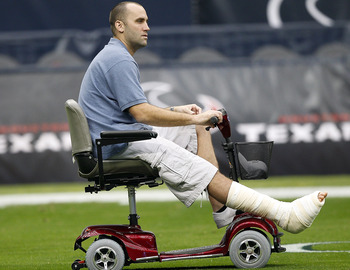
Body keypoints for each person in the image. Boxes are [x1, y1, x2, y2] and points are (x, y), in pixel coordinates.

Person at [78, 1, 327, 233]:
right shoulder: (118, 60)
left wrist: (178, 111)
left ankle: (223, 211)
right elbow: (140, 112)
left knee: (196, 129)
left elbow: (135, 110)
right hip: (118, 145)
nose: (147, 27)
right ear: (120, 26)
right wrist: (194, 118)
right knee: (198, 160)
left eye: (147, 21)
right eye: (140, 21)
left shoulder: (115, 56)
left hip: (120, 139)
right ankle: (284, 214)